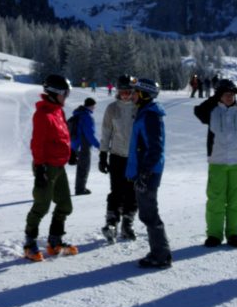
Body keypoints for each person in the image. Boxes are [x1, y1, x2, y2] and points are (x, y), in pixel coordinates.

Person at [193, 78, 237, 248]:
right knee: (216, 199)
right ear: (219, 96)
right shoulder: (212, 111)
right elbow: (199, 111)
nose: (229, 97)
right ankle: (214, 235)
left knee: (236, 200)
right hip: (217, 161)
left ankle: (234, 234)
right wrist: (214, 98)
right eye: (225, 94)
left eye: (231, 94)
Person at [24, 74, 77, 261]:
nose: (66, 97)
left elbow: (62, 136)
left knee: (65, 204)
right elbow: (37, 143)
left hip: (58, 165)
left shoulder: (57, 111)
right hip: (45, 166)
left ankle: (55, 241)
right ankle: (29, 242)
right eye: (65, 93)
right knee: (42, 205)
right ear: (55, 93)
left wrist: (70, 152)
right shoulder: (43, 114)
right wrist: (39, 169)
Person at [127, 78, 172, 268]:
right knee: (148, 213)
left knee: (149, 214)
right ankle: (159, 252)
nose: (132, 96)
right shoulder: (144, 113)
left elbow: (155, 148)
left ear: (145, 94)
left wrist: (145, 173)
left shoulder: (150, 116)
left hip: (149, 172)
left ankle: (161, 256)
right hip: (145, 171)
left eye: (135, 92)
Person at [99, 74, 138, 242]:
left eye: (128, 92)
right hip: (117, 156)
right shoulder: (112, 108)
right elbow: (106, 132)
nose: (125, 95)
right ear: (118, 91)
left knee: (132, 193)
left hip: (135, 158)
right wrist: (103, 154)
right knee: (116, 192)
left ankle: (127, 224)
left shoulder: (139, 108)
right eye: (122, 92)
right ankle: (111, 223)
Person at [68, 96, 100, 195]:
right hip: (83, 146)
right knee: (84, 167)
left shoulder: (77, 115)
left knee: (81, 167)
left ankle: (80, 188)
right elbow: (89, 134)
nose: (94, 108)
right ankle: (80, 189)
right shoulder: (86, 117)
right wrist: (99, 145)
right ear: (91, 106)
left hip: (75, 145)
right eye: (94, 106)